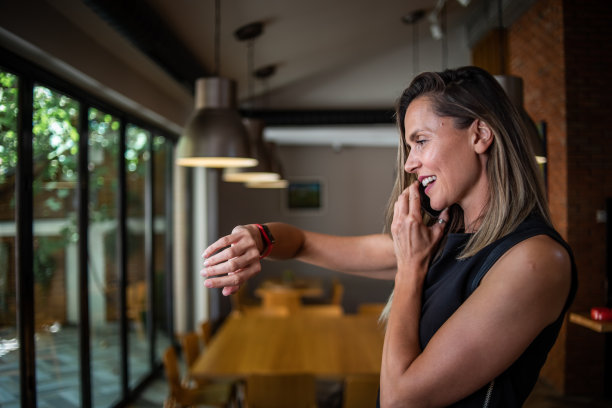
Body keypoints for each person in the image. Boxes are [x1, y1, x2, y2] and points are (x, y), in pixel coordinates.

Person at [201, 66, 577, 407]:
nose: (409, 163)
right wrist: (257, 237)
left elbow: (401, 399)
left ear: (479, 134)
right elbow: (302, 242)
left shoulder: (535, 260)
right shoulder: (442, 237)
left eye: (421, 141)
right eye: (409, 146)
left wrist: (410, 270)